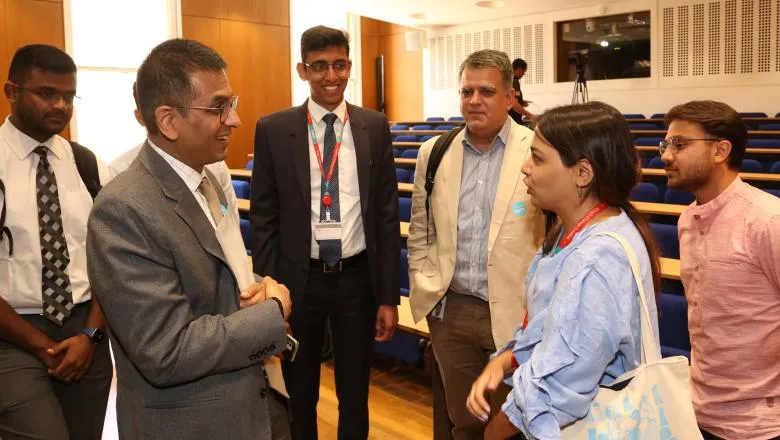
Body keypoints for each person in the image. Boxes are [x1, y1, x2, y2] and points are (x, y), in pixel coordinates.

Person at [86, 39, 292, 440]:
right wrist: (272, 312)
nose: (234, 119)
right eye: (219, 108)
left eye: (232, 103)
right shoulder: (124, 208)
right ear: (168, 121)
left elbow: (215, 283)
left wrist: (258, 290)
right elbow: (167, 349)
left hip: (253, 404)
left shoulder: (206, 179)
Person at [466, 101, 662, 439]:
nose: (526, 168)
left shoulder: (598, 258)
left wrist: (496, 431)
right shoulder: (571, 232)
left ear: (582, 173)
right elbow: (548, 328)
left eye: (539, 159)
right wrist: (506, 360)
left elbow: (561, 382)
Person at [250, 25, 400, 440]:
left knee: (355, 393)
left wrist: (388, 296)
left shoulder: (374, 125)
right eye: (319, 67)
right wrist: (269, 293)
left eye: (338, 65)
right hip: (300, 282)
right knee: (300, 392)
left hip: (357, 279)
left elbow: (386, 217)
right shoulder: (274, 129)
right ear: (303, 70)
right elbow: (263, 217)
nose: (330, 76)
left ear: (349, 66)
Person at [407, 49, 545, 440]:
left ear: (509, 97)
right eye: (467, 91)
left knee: (516, 422)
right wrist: (424, 281)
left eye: (486, 91)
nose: (474, 100)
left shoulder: (538, 149)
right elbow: (421, 230)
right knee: (465, 423)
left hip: (518, 314)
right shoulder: (433, 152)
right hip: (452, 312)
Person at [0, 44, 113, 440]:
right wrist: (40, 344)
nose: (61, 106)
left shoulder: (86, 163)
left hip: (86, 330)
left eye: (69, 96)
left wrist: (91, 334)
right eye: (48, 93)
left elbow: (107, 259)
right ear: (11, 91)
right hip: (11, 334)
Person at [661, 100, 780, 440]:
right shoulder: (687, 220)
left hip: (761, 426)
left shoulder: (768, 220)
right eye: (666, 144)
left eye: (680, 145)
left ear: (721, 151)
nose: (667, 156)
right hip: (700, 410)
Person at [507, 58, 535, 124]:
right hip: (513, 121)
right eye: (524, 71)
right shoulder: (514, 81)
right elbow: (514, 104)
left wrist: (521, 102)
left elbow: (509, 98)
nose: (524, 74)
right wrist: (530, 115)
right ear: (519, 69)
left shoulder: (507, 80)